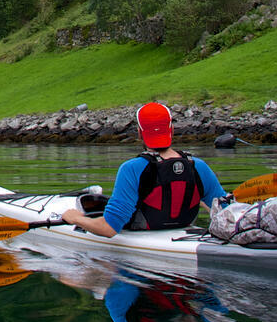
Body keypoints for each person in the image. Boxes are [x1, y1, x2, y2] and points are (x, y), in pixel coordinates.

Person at [60, 100, 227, 236]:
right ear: (172, 130)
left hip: (144, 246)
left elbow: (108, 229)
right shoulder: (198, 166)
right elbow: (226, 211)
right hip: (184, 235)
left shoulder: (132, 169)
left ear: (140, 133)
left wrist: (76, 219)